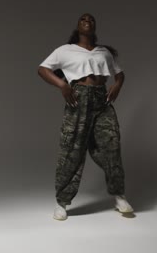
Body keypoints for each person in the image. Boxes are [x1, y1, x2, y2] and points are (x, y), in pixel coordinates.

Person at [37, 13, 134, 221]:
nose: (87, 21)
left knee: (111, 144)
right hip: (78, 98)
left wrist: (117, 85)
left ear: (95, 26)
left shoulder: (104, 52)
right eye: (83, 19)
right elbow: (43, 69)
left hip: (101, 100)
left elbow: (119, 73)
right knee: (72, 148)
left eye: (91, 19)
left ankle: (119, 196)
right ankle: (61, 202)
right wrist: (62, 85)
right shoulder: (65, 50)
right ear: (78, 26)